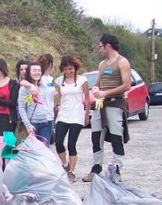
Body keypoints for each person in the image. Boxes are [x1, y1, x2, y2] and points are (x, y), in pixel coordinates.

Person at [82, 33, 132, 182]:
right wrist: (96, 89)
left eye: (100, 47)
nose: (99, 50)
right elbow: (97, 83)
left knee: (117, 136)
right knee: (96, 136)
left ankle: (116, 169)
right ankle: (96, 167)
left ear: (107, 46)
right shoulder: (102, 64)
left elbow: (126, 85)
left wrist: (107, 92)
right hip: (100, 105)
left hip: (115, 104)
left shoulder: (122, 62)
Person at [54, 55, 90, 183]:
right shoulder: (59, 81)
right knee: (58, 142)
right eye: (65, 69)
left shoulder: (82, 80)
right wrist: (55, 106)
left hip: (77, 114)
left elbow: (86, 98)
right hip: (63, 114)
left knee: (71, 144)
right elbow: (57, 97)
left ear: (75, 68)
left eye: (70, 69)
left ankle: (72, 171)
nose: (68, 72)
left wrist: (86, 115)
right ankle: (65, 164)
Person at [17, 62, 53, 146]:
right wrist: (28, 126)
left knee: (44, 151)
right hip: (32, 123)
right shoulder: (24, 89)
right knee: (32, 152)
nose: (37, 72)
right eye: (34, 70)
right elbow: (21, 108)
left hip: (45, 123)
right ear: (29, 72)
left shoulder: (42, 86)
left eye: (39, 70)